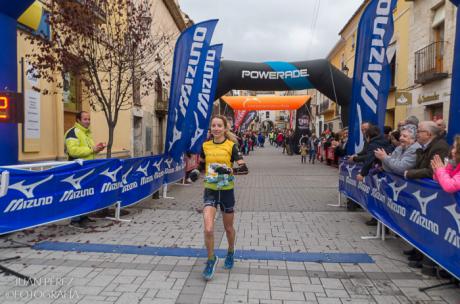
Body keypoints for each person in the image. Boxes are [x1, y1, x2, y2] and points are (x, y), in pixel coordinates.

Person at [199, 115, 248, 280]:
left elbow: (244, 168)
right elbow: (200, 166)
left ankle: (230, 251)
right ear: (210, 128)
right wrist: (194, 173)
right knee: (208, 228)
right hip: (210, 190)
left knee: (228, 228)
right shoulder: (205, 146)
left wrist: (228, 171)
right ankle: (211, 259)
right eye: (213, 125)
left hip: (227, 191)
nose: (216, 128)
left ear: (225, 128)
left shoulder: (231, 146)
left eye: (219, 125)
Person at [65, 111, 105, 228]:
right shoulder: (73, 132)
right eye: (85, 119)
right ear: (78, 120)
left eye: (89, 119)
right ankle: (75, 221)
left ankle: (84, 217)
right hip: (77, 170)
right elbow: (73, 151)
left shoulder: (87, 133)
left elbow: (89, 150)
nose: (88, 122)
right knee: (77, 194)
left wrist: (97, 149)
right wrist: (92, 149)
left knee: (85, 194)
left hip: (87, 169)